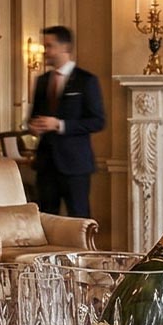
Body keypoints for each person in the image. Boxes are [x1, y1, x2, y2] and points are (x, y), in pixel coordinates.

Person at [26, 25, 106, 219]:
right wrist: (33, 126)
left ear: (65, 47)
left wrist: (60, 125)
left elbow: (98, 121)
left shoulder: (86, 80)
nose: (45, 51)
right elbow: (33, 117)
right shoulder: (42, 81)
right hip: (46, 164)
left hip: (75, 164)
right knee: (45, 218)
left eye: (49, 46)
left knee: (79, 219)